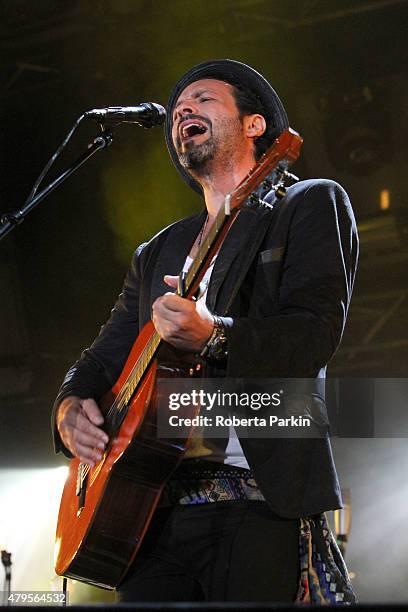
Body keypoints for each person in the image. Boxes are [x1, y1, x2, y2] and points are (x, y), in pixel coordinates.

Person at [52, 59, 358, 603]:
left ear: (254, 124)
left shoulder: (306, 203)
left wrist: (213, 335)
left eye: (203, 99)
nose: (182, 111)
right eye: (176, 110)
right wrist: (69, 408)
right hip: (149, 514)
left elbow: (313, 334)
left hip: (259, 497)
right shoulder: (157, 253)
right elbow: (99, 361)